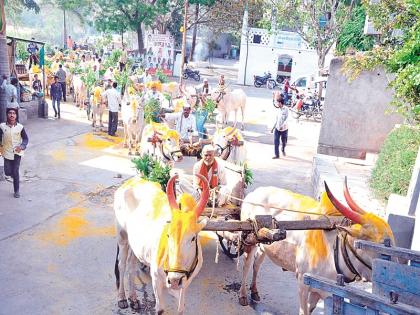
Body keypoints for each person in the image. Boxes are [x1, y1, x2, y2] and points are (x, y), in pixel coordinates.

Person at [0, 107, 29, 198]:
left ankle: (16, 191)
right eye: (10, 113)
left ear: (16, 115)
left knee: (15, 171)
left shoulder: (20, 127)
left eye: (14, 113)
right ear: (7, 115)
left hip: (17, 152)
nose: (12, 115)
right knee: (7, 172)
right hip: (6, 152)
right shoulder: (2, 126)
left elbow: (25, 139)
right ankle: (13, 175)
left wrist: (22, 146)